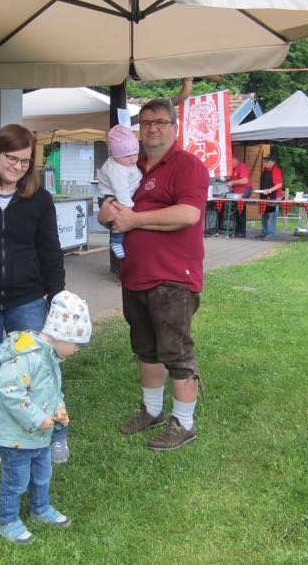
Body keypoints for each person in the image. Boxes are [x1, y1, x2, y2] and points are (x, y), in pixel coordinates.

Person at [99, 98, 209, 451]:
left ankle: (184, 423)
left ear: (175, 127)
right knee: (145, 348)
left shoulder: (187, 166)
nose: (152, 128)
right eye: (146, 122)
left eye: (160, 121)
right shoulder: (130, 163)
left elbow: (188, 214)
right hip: (136, 273)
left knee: (175, 351)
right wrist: (105, 212)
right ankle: (152, 410)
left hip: (173, 276)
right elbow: (108, 204)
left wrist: (134, 220)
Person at [0, 124, 67, 468]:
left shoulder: (38, 199)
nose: (18, 167)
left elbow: (50, 250)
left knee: (39, 369)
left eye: (25, 162)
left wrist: (57, 297)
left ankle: (54, 433)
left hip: (27, 298)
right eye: (12, 158)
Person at [0, 290, 92, 543]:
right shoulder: (25, 356)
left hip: (40, 435)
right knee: (16, 480)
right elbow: (9, 392)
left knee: (42, 474)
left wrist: (59, 409)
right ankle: (8, 521)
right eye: (76, 344)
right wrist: (37, 418)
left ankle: (40, 508)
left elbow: (51, 389)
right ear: (61, 336)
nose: (77, 350)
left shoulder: (49, 356)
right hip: (16, 436)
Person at [97, 124, 142, 258]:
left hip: (120, 196)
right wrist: (128, 206)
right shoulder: (116, 169)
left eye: (135, 154)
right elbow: (121, 189)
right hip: (113, 198)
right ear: (115, 155)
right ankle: (116, 241)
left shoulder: (125, 164)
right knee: (119, 218)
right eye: (127, 156)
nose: (132, 159)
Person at [255, 157, 283, 240]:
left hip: (274, 197)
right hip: (265, 196)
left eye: (267, 161)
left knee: (271, 216)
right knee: (264, 215)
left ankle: (270, 235)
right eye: (265, 161)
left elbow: (279, 184)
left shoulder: (276, 170)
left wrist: (270, 190)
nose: (265, 163)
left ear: (273, 162)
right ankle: (264, 232)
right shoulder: (266, 170)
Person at [225, 155, 252, 237]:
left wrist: (232, 182)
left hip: (244, 191)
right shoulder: (234, 168)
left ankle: (242, 232)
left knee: (241, 211)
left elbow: (245, 180)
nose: (229, 165)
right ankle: (237, 230)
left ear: (234, 161)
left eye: (230, 163)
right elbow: (232, 179)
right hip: (237, 192)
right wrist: (228, 179)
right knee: (236, 211)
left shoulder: (242, 167)